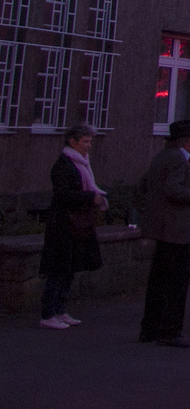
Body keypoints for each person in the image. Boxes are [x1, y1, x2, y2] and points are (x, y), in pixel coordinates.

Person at [138, 119, 190, 347]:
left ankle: (150, 329)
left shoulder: (162, 156)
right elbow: (173, 189)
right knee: (176, 283)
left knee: (159, 280)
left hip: (163, 228)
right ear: (186, 140)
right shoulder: (178, 159)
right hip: (176, 230)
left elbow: (146, 184)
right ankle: (170, 331)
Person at [38, 124, 106, 329]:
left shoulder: (82, 163)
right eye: (85, 141)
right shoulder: (64, 165)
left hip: (76, 223)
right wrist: (89, 197)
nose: (88, 146)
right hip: (63, 224)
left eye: (90, 141)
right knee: (58, 268)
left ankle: (60, 310)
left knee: (69, 268)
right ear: (72, 142)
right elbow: (62, 195)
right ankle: (48, 313)